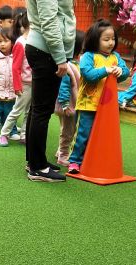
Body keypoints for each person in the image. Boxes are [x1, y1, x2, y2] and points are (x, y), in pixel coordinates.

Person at [67, 19, 127, 175]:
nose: (111, 43)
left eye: (113, 39)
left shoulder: (115, 57)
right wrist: (106, 70)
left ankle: (95, 159)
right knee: (83, 133)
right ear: (95, 40)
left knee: (103, 135)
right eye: (106, 39)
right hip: (88, 104)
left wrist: (121, 71)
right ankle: (75, 161)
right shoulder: (88, 56)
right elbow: (88, 74)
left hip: (107, 107)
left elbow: (125, 72)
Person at [25, 0, 76, 182]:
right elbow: (48, 20)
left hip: (43, 48)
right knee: (42, 111)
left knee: (37, 109)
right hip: (46, 50)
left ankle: (34, 161)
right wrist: (60, 57)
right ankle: (38, 168)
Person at [0, 7, 30, 147]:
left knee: (29, 111)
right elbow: (15, 67)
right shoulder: (21, 43)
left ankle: (24, 135)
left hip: (34, 82)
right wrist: (17, 86)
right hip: (24, 84)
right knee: (16, 110)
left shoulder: (35, 41)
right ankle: (4, 134)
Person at [54, 30, 83, 166]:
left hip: (71, 104)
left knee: (66, 129)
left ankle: (60, 151)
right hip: (68, 106)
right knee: (68, 132)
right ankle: (63, 156)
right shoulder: (69, 66)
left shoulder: (75, 64)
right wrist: (65, 104)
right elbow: (64, 86)